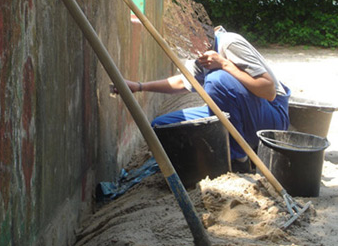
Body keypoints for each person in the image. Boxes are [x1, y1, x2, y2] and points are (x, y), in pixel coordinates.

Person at [116, 26, 290, 173]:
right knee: (162, 126)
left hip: (271, 117)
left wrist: (224, 64)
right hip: (240, 114)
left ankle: (238, 160)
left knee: (216, 80)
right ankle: (207, 163)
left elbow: (269, 91)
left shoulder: (229, 43)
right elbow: (182, 81)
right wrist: (139, 87)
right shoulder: (202, 55)